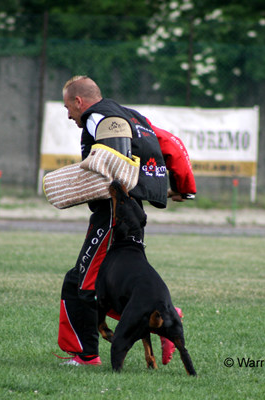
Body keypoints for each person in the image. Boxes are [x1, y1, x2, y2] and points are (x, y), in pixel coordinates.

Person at [57, 76, 196, 366]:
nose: (68, 114)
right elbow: (171, 142)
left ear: (79, 102)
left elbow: (115, 160)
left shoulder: (97, 117)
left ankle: (89, 355)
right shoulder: (131, 115)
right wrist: (184, 186)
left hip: (113, 213)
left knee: (84, 283)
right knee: (88, 280)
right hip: (132, 210)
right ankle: (162, 315)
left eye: (68, 106)